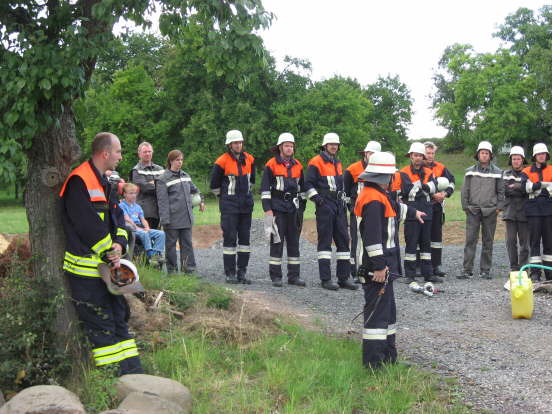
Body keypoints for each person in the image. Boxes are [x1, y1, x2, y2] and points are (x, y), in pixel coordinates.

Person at [59, 132, 143, 376]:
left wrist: (119, 244)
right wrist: (110, 252)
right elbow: (86, 225)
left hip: (108, 270)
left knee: (119, 318)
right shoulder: (78, 181)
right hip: (86, 274)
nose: (120, 156)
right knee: (101, 326)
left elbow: (117, 219)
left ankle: (134, 376)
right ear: (105, 153)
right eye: (118, 151)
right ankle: (113, 382)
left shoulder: (105, 182)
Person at [355, 151, 425, 368]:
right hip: (377, 268)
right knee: (377, 316)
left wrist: (414, 213)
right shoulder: (373, 199)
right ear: (383, 176)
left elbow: (395, 208)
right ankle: (374, 364)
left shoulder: (377, 194)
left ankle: (388, 357)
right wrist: (378, 267)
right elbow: (373, 239)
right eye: (391, 175)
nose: (393, 179)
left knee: (388, 312)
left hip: (385, 266)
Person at [304, 132, 357, 291]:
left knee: (343, 241)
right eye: (331, 144)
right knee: (325, 242)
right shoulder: (316, 162)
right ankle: (326, 279)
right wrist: (319, 200)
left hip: (339, 205)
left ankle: (343, 278)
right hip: (325, 205)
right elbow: (307, 185)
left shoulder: (337, 162)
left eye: (336, 144)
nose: (334, 146)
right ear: (325, 146)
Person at [261, 133, 306, 287]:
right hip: (276, 208)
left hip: (293, 209)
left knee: (294, 242)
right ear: (280, 147)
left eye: (291, 146)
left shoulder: (298, 165)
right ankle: (276, 277)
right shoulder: (271, 164)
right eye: (286, 145)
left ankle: (294, 276)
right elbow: (265, 190)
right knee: (276, 242)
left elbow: (303, 189)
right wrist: (267, 211)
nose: (289, 148)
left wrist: (301, 210)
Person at [210, 130, 255, 284]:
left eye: (240, 142)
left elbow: (252, 181)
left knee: (244, 241)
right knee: (229, 240)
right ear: (229, 145)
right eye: (235, 143)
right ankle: (230, 273)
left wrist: (245, 197)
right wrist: (226, 199)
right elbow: (214, 186)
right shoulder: (221, 161)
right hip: (229, 207)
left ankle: (242, 272)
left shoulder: (249, 159)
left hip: (246, 207)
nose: (238, 145)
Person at [460, 141, 504, 279]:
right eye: (482, 153)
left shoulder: (498, 172)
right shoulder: (470, 171)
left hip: (490, 211)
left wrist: (498, 208)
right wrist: (465, 206)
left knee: (488, 241)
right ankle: (467, 270)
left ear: (490, 155)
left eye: (486, 153)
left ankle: (485, 270)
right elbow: (464, 190)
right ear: (478, 155)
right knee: (470, 240)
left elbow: (501, 191)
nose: (484, 155)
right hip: (473, 210)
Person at [156, 150, 205, 274]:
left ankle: (189, 270)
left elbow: (195, 190)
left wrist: (201, 201)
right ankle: (172, 272)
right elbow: (162, 202)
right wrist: (165, 220)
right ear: (171, 161)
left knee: (187, 245)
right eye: (177, 160)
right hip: (172, 219)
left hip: (186, 217)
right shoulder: (163, 179)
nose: (180, 162)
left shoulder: (185, 176)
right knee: (171, 247)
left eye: (181, 160)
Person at [400, 142, 439, 284]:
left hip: (427, 212)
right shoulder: (403, 172)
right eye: (415, 155)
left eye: (420, 156)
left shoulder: (429, 172)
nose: (417, 158)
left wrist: (419, 186)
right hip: (411, 213)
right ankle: (410, 274)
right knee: (411, 244)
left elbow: (434, 187)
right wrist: (424, 188)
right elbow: (406, 191)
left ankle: (428, 274)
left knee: (426, 245)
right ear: (411, 156)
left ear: (423, 157)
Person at [344, 140, 381, 283]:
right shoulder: (353, 169)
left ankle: (371, 269)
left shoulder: (380, 169)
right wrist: (351, 208)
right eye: (370, 153)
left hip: (374, 210)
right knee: (357, 242)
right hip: (357, 211)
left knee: (373, 240)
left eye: (375, 154)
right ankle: (354, 271)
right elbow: (346, 192)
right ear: (365, 153)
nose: (372, 156)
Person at [520, 143, 552, 281]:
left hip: (549, 210)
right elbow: (524, 188)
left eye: (544, 154)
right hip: (533, 212)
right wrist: (543, 186)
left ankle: (549, 273)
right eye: (539, 154)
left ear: (546, 155)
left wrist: (535, 188)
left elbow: (531, 188)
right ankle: (535, 273)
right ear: (535, 156)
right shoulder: (526, 171)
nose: (542, 156)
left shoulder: (551, 170)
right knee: (534, 243)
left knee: (549, 243)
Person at [424, 141, 455, 277]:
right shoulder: (419, 168)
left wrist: (445, 194)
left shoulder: (441, 167)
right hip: (423, 206)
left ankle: (436, 265)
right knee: (423, 237)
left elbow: (452, 182)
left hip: (437, 207)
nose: (430, 156)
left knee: (436, 237)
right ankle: (422, 265)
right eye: (428, 153)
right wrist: (432, 194)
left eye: (432, 153)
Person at [119, 182, 166, 265]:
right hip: (130, 228)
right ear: (125, 194)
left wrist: (147, 227)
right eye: (131, 193)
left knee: (161, 234)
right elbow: (127, 219)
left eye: (135, 193)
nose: (134, 195)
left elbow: (143, 219)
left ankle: (156, 254)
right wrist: (138, 228)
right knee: (144, 233)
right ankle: (150, 255)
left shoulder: (137, 206)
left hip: (140, 228)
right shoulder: (122, 205)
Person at [502, 146, 529, 273]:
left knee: (525, 243)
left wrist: (516, 187)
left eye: (518, 159)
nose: (516, 161)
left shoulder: (528, 173)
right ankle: (513, 267)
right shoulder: (505, 174)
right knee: (510, 241)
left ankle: (523, 268)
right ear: (510, 160)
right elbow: (505, 190)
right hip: (510, 212)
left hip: (525, 212)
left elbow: (528, 190)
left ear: (523, 160)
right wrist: (520, 188)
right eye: (514, 159)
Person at [130, 142, 164, 229]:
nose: (147, 154)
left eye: (149, 151)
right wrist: (159, 184)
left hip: (160, 210)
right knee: (146, 238)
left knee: (158, 238)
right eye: (145, 152)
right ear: (139, 154)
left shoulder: (160, 169)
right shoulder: (136, 170)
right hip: (145, 212)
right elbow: (145, 188)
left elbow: (166, 185)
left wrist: (153, 183)